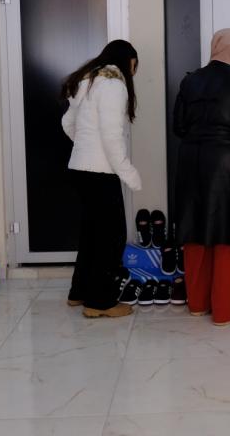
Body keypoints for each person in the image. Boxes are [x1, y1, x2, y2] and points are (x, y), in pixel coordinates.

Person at [173, 29, 230, 326]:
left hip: (191, 161)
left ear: (215, 46)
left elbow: (178, 127)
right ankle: (226, 310)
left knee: (195, 229)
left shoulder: (190, 80)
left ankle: (197, 304)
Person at [61, 40, 142, 319]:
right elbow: (111, 137)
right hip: (100, 172)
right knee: (111, 237)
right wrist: (129, 174)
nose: (134, 72)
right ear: (126, 60)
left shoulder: (88, 80)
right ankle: (100, 301)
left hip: (80, 169)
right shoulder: (113, 84)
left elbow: (67, 123)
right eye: (134, 65)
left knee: (91, 234)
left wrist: (85, 146)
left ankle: (79, 292)